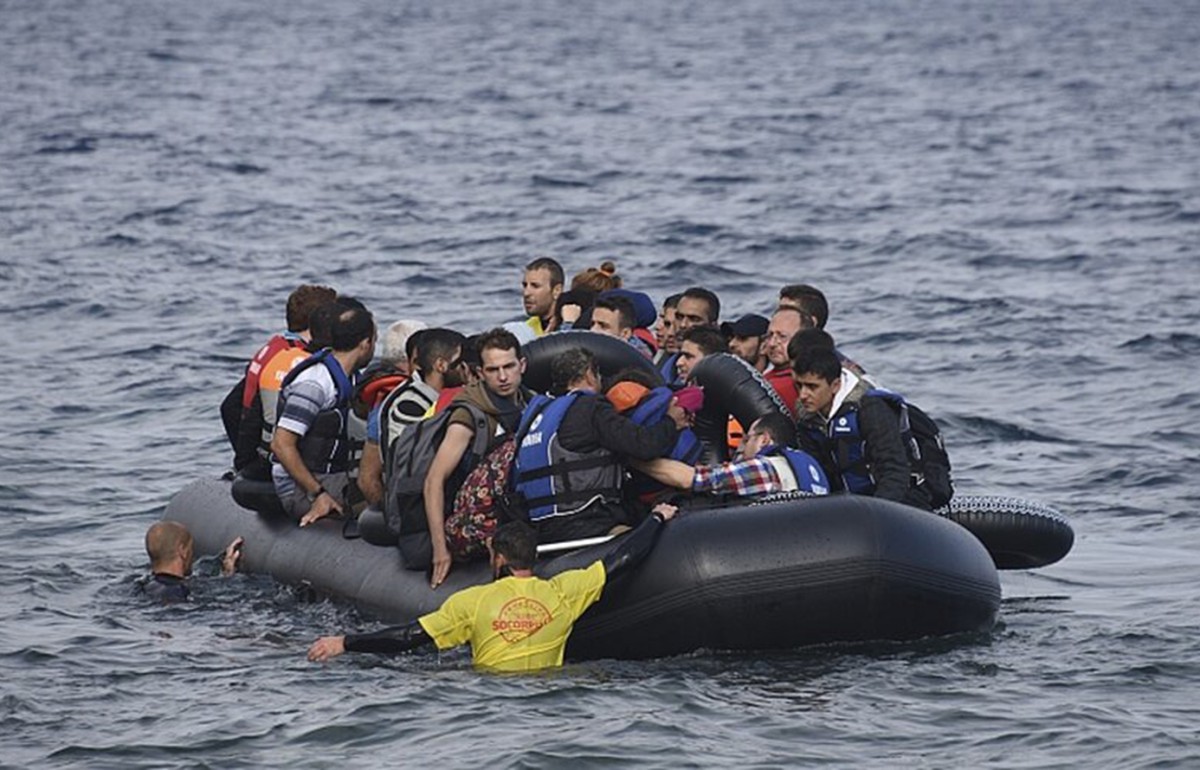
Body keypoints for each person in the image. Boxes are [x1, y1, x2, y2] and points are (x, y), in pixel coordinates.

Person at [307, 506, 677, 672]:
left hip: (492, 699)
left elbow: (407, 638)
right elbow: (624, 559)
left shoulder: (473, 601)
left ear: (497, 558)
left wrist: (345, 643)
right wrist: (657, 517)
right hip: (551, 695)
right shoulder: (565, 591)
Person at [513, 348, 689, 545]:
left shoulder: (535, 413)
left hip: (540, 528)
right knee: (656, 540)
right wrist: (671, 421)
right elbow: (645, 445)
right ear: (589, 375)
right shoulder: (590, 406)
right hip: (586, 521)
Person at [424, 328, 531, 587]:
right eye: (493, 370)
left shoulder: (532, 404)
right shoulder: (469, 416)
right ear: (481, 373)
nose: (503, 377)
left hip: (517, 508)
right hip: (473, 517)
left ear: (522, 365)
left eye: (509, 366)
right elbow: (434, 481)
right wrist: (440, 550)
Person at [270, 299, 377, 525]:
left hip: (334, 475)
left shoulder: (351, 377)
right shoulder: (315, 384)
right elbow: (281, 444)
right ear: (366, 343)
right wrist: (318, 494)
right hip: (300, 489)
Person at [792, 347, 929, 509]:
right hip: (848, 505)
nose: (803, 395)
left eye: (812, 387)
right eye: (799, 386)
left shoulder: (870, 408)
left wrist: (877, 513)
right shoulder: (807, 420)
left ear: (835, 385)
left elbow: (895, 470)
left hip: (899, 503)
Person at [225, 284, 338, 475]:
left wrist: (242, 461)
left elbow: (230, 407)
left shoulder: (274, 349)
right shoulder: (299, 362)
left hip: (253, 456)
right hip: (276, 465)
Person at [359, 328, 468, 508]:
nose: (465, 370)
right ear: (441, 365)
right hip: (414, 507)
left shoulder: (434, 397)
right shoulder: (410, 405)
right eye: (459, 363)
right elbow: (413, 465)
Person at [634, 412, 829, 499]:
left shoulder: (764, 468)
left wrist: (633, 457)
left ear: (764, 440)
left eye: (747, 440)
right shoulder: (805, 464)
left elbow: (690, 479)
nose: (741, 449)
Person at [140, 521, 243, 603]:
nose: (192, 556)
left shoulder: (145, 584)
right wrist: (229, 578)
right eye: (191, 549)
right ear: (182, 551)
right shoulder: (178, 591)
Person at [762, 307, 813, 417]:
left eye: (782, 336)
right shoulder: (767, 377)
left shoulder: (809, 380)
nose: (772, 343)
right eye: (770, 335)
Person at [522, 257, 564, 337]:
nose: (526, 293)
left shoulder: (573, 322)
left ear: (557, 291)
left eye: (535, 286)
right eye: (525, 285)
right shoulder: (526, 328)